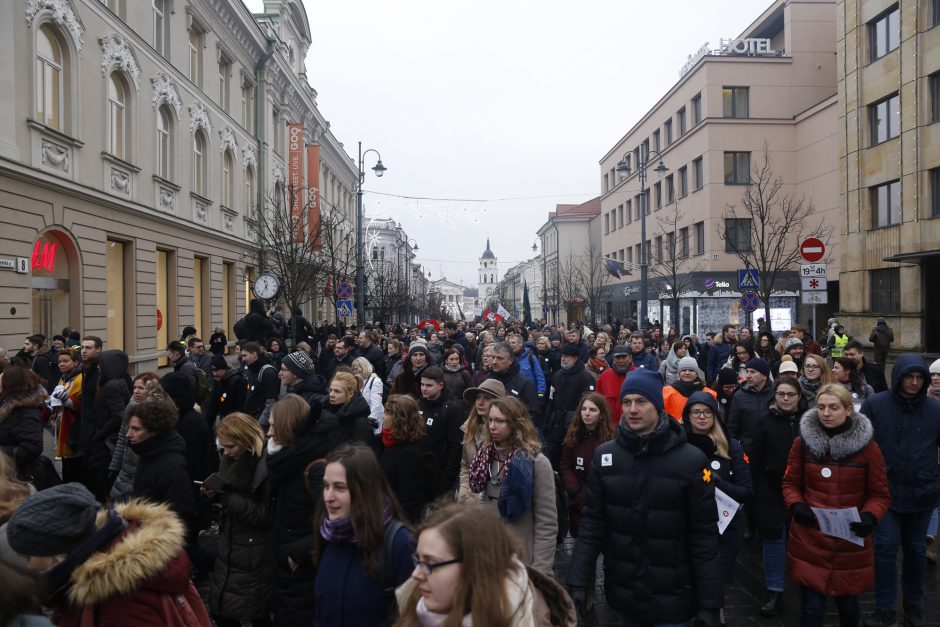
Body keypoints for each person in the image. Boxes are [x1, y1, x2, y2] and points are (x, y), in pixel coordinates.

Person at [566, 368, 723, 626]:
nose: (632, 409)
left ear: (658, 406)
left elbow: (704, 536)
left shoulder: (691, 460)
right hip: (625, 591)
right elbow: (592, 523)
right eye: (627, 402)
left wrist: (710, 603)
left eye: (641, 401)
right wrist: (578, 578)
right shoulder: (606, 457)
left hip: (673, 594)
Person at [7, 483, 210, 627]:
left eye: (28, 557)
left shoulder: (117, 603)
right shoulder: (107, 573)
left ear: (55, 553)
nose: (28, 566)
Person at [784, 384, 891, 626]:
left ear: (848, 410)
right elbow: (790, 483)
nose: (826, 413)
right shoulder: (802, 444)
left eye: (833, 407)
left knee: (849, 609)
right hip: (810, 538)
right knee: (811, 610)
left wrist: (870, 517)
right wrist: (796, 506)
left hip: (850, 541)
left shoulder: (869, 449)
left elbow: (879, 494)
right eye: (821, 407)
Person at [393, 503, 577, 627]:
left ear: (474, 567)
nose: (416, 574)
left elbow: (547, 520)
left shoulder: (530, 619)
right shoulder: (414, 603)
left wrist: (542, 564)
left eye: (431, 563)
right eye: (419, 560)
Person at [860, 354, 940, 627]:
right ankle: (884, 608)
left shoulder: (934, 410)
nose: (915, 383)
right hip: (885, 492)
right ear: (899, 377)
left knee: (916, 551)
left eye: (920, 378)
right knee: (884, 549)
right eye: (910, 377)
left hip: (922, 491)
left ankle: (914, 606)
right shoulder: (875, 405)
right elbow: (861, 446)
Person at [313, 444, 415, 626]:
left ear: (364, 490)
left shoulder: (399, 544)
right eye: (326, 486)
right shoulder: (329, 534)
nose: (328, 496)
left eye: (339, 488)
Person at [682, 391, 753, 626]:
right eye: (696, 412)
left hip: (723, 531)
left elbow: (746, 491)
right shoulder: (679, 447)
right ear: (688, 415)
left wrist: (720, 484)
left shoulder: (731, 447)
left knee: (715, 587)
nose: (701, 417)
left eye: (707, 412)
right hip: (687, 530)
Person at [467, 396, 557, 574]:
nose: (492, 426)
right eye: (490, 420)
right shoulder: (486, 456)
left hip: (522, 559)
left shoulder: (536, 462)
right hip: (489, 556)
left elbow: (546, 523)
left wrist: (541, 572)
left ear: (516, 424)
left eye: (499, 421)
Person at [265, 393, 333, 627]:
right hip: (285, 566)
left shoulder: (315, 468)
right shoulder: (287, 459)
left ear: (289, 426)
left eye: (274, 426)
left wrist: (296, 553)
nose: (269, 433)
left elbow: (336, 520)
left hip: (303, 569)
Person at [204, 413, 273, 627]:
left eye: (230, 447)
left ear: (246, 440)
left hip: (255, 550)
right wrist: (216, 497)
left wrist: (231, 501)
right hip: (231, 543)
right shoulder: (229, 460)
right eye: (223, 447)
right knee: (224, 609)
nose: (226, 453)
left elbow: (268, 515)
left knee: (252, 612)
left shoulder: (265, 467)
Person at [749, 378, 808, 616]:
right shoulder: (764, 422)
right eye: (781, 394)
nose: (785, 398)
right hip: (770, 489)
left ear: (798, 397)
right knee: (774, 540)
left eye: (790, 394)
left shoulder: (808, 423)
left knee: (803, 539)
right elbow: (755, 458)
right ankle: (775, 589)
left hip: (804, 491)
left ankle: (805, 583)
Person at [126, 397, 195, 525]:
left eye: (135, 429)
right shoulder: (146, 453)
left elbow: (180, 515)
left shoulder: (173, 465)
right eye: (129, 428)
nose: (128, 434)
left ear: (154, 431)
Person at [559, 392, 613, 538]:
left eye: (592, 410)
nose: (587, 414)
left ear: (601, 414)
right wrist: (575, 490)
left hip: (603, 502)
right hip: (578, 501)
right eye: (584, 409)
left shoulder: (610, 440)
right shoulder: (573, 436)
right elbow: (565, 465)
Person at [109, 373, 161, 503]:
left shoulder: (157, 412)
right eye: (134, 387)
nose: (136, 391)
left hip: (140, 467)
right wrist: (114, 467)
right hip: (125, 468)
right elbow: (122, 437)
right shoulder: (130, 406)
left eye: (141, 388)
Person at [544, 344, 596, 469]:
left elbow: (588, 402)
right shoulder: (557, 376)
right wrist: (547, 422)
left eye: (567, 356)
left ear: (575, 358)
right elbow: (551, 401)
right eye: (562, 356)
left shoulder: (586, 378)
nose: (563, 359)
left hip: (575, 427)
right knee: (554, 460)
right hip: (556, 427)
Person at [416, 366, 464, 499]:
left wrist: (447, 478)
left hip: (439, 474)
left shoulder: (452, 409)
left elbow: (455, 446)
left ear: (440, 385)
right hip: (419, 472)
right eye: (422, 384)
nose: (424, 388)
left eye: (429, 385)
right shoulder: (419, 403)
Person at [457, 379, 506, 504]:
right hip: (469, 497)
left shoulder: (504, 433)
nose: (480, 402)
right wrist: (464, 492)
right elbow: (466, 466)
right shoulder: (469, 427)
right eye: (478, 397)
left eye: (487, 398)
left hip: (494, 503)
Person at [380, 395, 426, 524]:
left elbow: (409, 498)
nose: (383, 416)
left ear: (399, 419)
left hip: (398, 522)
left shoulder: (408, 453)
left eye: (388, 413)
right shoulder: (390, 443)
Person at [0, 367, 47, 488]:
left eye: (1, 381)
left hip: (22, 477)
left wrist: (4, 457)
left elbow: (32, 446)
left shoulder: (25, 411)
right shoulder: (7, 407)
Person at [728, 358, 774, 455]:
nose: (748, 376)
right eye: (747, 372)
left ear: (764, 375)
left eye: (753, 372)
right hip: (748, 450)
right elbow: (733, 426)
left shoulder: (776, 393)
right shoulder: (739, 396)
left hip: (772, 450)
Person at [323, 371, 374, 449]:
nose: (331, 395)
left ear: (351, 394)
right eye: (330, 390)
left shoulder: (360, 423)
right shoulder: (326, 410)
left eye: (337, 391)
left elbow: (359, 456)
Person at [49, 348, 83, 458]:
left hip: (74, 428)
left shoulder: (80, 378)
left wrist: (66, 400)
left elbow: (81, 404)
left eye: (65, 361)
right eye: (59, 362)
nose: (61, 364)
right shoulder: (64, 378)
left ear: (76, 363)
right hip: (62, 422)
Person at [662, 355, 716, 422]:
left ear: (697, 373)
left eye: (691, 370)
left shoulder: (710, 394)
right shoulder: (666, 392)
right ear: (679, 373)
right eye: (684, 370)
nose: (687, 373)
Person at [240, 341, 279, 428]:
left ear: (254, 354)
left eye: (245, 356)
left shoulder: (267, 372)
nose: (242, 359)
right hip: (251, 420)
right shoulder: (252, 370)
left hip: (260, 424)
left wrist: (260, 424)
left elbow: (271, 402)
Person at [205, 354, 247, 428]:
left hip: (236, 422)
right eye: (213, 371)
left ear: (225, 368)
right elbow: (215, 403)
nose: (214, 374)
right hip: (225, 420)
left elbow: (241, 405)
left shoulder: (237, 381)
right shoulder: (218, 381)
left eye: (217, 371)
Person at [595, 345, 633, 426]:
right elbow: (597, 401)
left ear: (630, 358)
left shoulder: (639, 376)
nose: (621, 361)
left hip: (633, 427)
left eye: (624, 357)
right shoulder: (605, 376)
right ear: (613, 359)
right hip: (610, 427)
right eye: (618, 358)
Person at [353, 356, 384, 435]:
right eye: (353, 369)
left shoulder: (375, 381)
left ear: (364, 367)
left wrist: (371, 419)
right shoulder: (357, 382)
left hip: (373, 421)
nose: (354, 371)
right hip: (362, 419)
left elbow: (376, 403)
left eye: (356, 369)